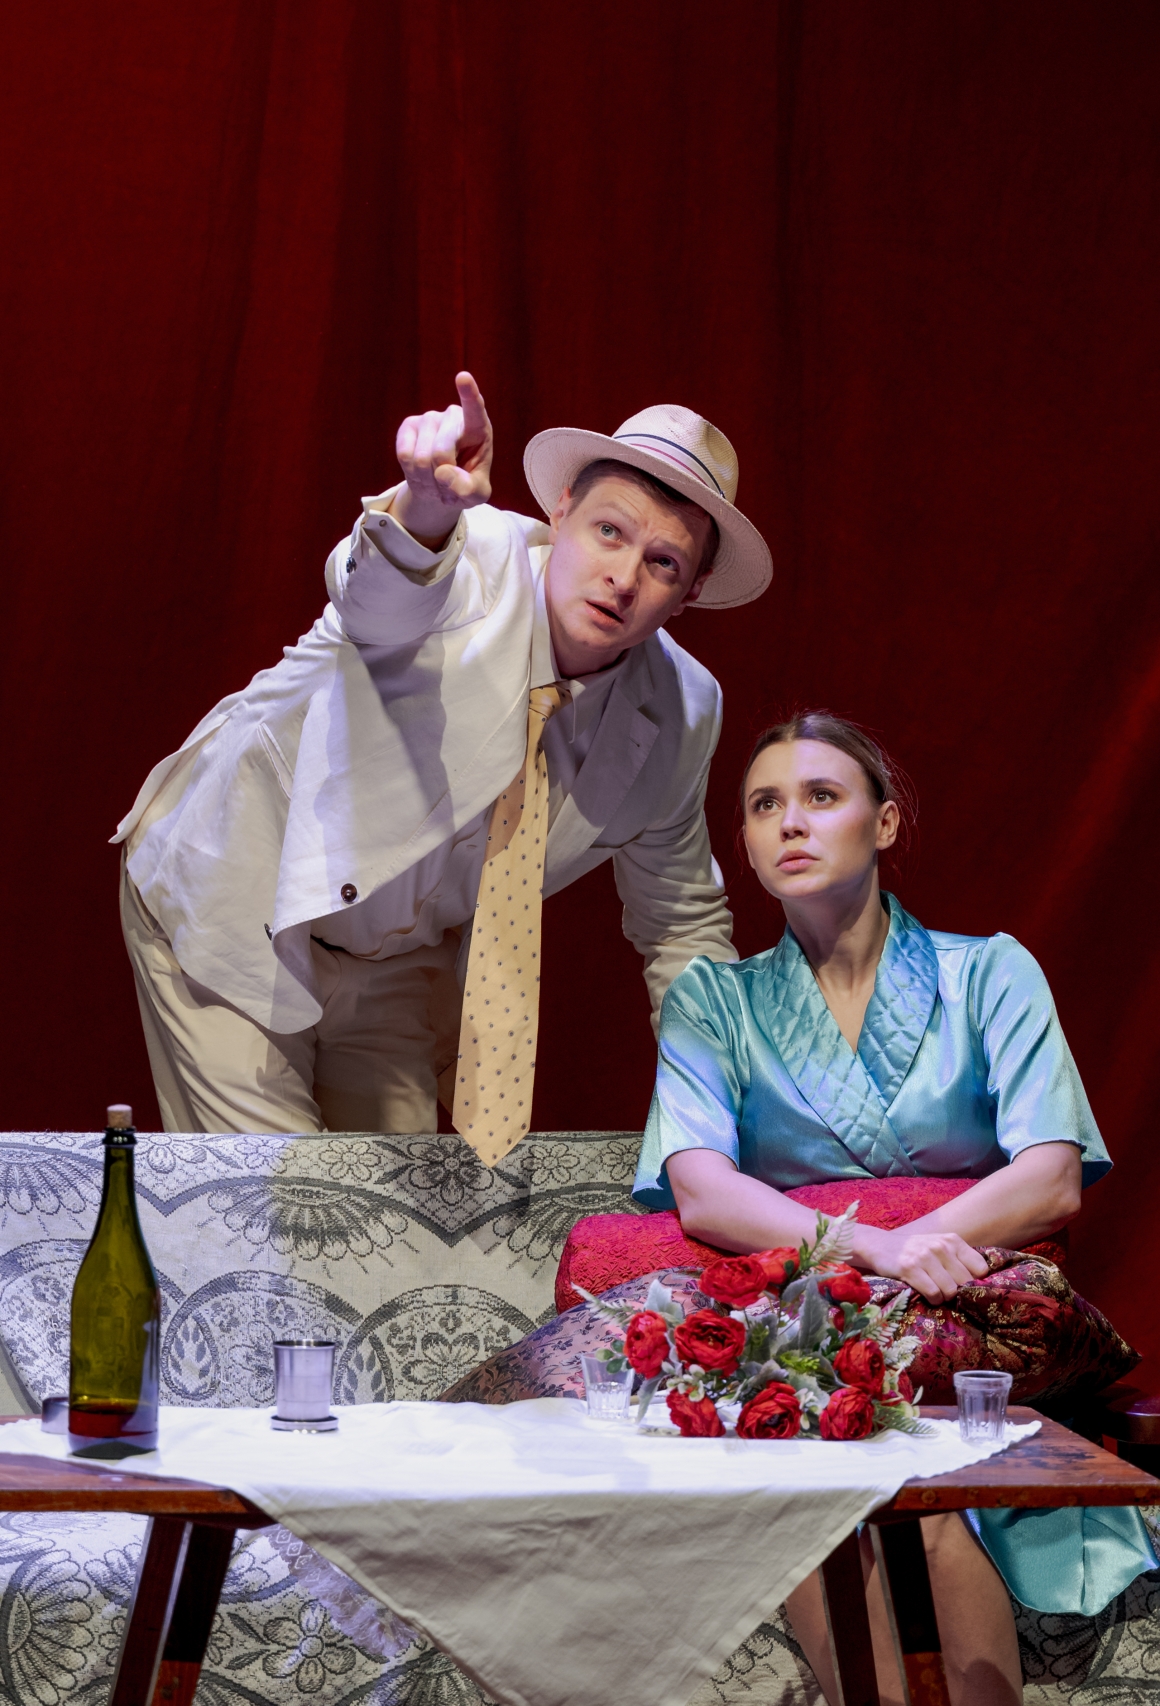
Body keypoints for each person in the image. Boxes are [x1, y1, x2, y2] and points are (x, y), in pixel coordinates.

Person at [632, 710, 1153, 1706]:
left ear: (884, 822)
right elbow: (701, 1189)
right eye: (764, 806)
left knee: (920, 1483)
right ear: (744, 843)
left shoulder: (987, 972)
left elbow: (1050, 1175)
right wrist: (874, 1250)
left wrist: (917, 1253)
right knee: (815, 1461)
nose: (790, 822)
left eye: (821, 797)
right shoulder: (714, 1001)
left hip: (966, 1331)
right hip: (816, 1330)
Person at [115, 374, 772, 1156]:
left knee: (388, 1219)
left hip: (397, 961)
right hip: (239, 891)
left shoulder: (682, 710)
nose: (623, 579)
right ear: (561, 512)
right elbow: (375, 595)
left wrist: (726, 1095)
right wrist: (423, 511)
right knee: (279, 1206)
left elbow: (680, 923)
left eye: (663, 563)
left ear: (692, 591)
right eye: (609, 531)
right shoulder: (469, 557)